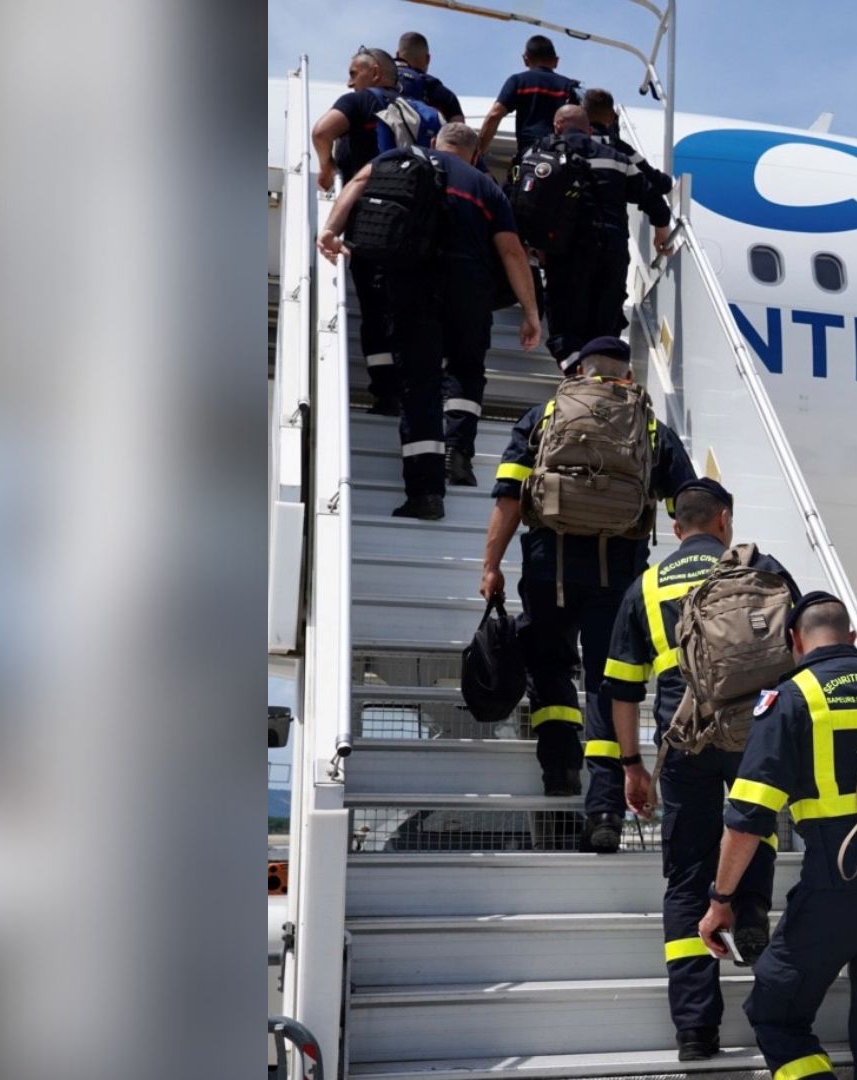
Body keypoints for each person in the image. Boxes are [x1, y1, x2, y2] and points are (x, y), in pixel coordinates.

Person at [701, 593, 857, 1080]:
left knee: (774, 1012)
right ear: (851, 637)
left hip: (837, 886)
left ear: (794, 642)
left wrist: (721, 898)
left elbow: (747, 818)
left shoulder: (791, 699)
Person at [602, 478, 794, 1060]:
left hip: (683, 743)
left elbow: (621, 687)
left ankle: (694, 1029)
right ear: (724, 520)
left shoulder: (648, 585)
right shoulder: (765, 569)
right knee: (752, 832)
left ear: (677, 527)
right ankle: (752, 914)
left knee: (687, 879)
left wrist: (632, 766)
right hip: (758, 735)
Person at [479, 336, 694, 847]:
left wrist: (490, 565)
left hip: (546, 568)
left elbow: (509, 498)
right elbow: (686, 505)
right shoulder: (648, 426)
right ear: (627, 376)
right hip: (619, 580)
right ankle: (604, 815)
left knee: (551, 668)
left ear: (577, 371)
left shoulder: (544, 416)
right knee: (607, 686)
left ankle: (559, 771)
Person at [316, 123, 543, 518]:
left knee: (419, 383)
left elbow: (356, 181)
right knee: (466, 371)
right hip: (470, 289)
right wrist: (530, 312)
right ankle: (458, 453)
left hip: (411, 283)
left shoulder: (401, 158)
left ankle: (426, 493)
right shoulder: (485, 185)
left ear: (435, 143)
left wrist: (331, 231)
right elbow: (510, 252)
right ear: (474, 154)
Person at [311, 48, 412, 413]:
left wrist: (326, 166)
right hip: (414, 229)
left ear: (375, 73)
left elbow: (322, 131)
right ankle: (412, 389)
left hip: (369, 221)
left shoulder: (360, 101)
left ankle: (387, 394)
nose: (349, 79)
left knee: (373, 308)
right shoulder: (418, 110)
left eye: (355, 71)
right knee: (406, 310)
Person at [532, 105, 671, 364]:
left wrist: (533, 246)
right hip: (611, 252)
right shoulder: (617, 158)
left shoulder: (540, 153)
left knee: (566, 329)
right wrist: (662, 231)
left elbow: (520, 200)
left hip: (565, 253)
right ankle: (600, 381)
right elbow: (652, 194)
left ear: (557, 127)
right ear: (588, 129)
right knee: (605, 327)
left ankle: (579, 380)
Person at [478, 34, 581, 167]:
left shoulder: (518, 81)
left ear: (526, 60)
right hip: (562, 158)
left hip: (529, 157)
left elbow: (494, 115)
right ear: (556, 61)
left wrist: (478, 152)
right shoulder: (570, 86)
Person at [393, 31, 464, 125]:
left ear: (397, 55)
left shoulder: (379, 81)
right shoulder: (443, 93)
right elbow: (459, 131)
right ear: (428, 59)